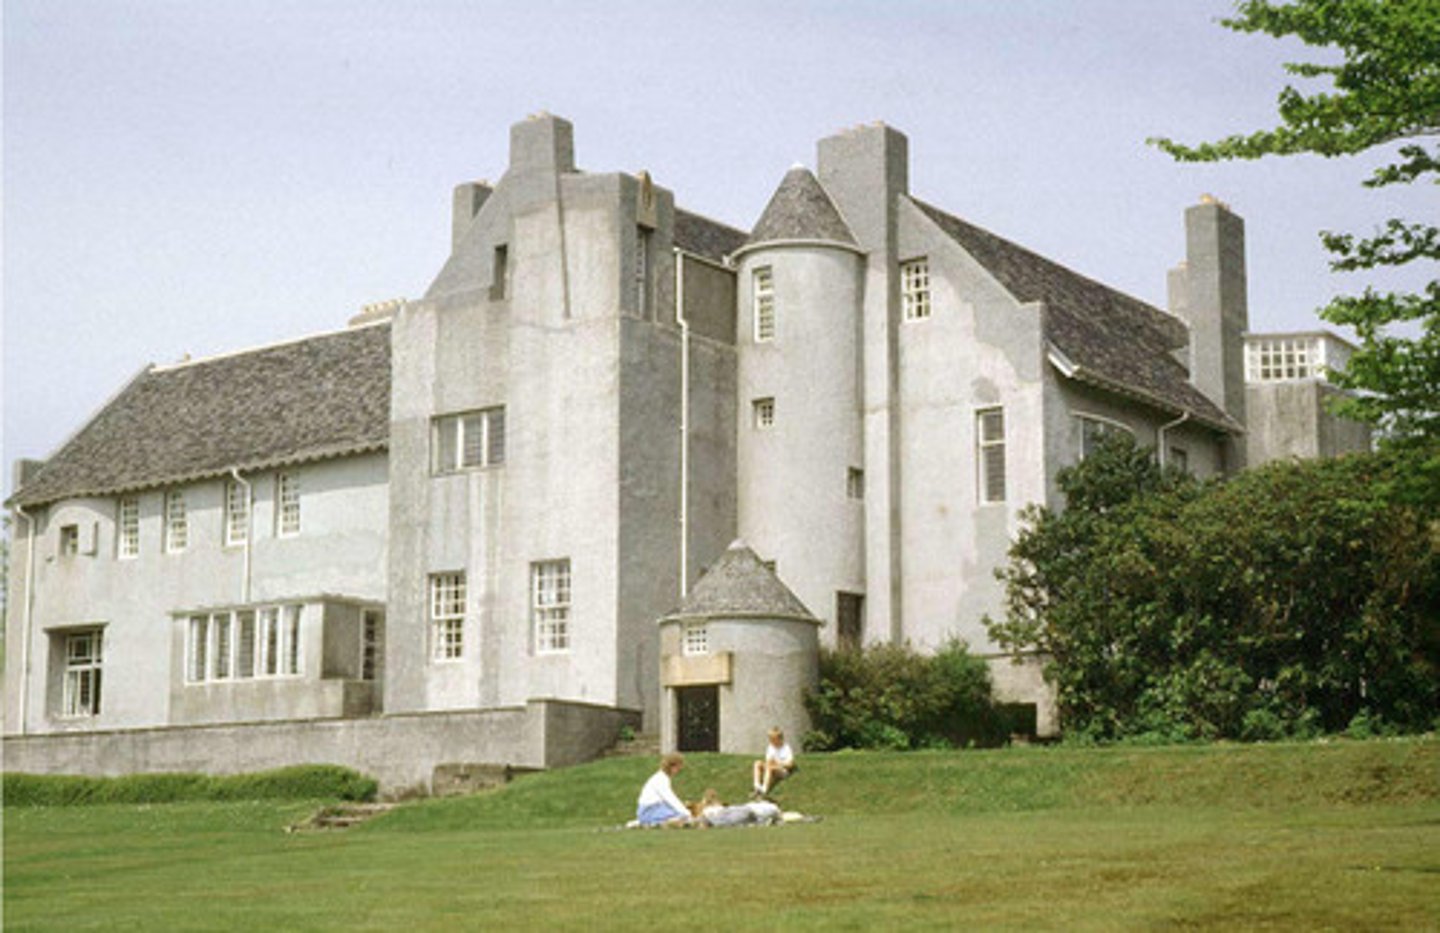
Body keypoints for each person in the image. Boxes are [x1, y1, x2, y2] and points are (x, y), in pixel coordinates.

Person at [636, 752, 691, 826]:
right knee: (682, 817)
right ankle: (649, 822)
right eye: (678, 767)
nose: (679, 770)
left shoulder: (663, 778)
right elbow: (670, 798)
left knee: (680, 815)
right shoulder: (660, 779)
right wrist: (686, 812)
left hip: (655, 808)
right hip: (649, 811)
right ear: (672, 766)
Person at [694, 788, 783, 828]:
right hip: (738, 811)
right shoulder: (771, 807)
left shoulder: (771, 807)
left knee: (723, 819)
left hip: (739, 810)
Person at [752, 726, 796, 798]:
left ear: (779, 739)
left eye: (773, 739)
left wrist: (778, 763)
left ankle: (764, 790)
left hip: (782, 770)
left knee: (770, 767)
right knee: (757, 763)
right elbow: (768, 760)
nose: (771, 741)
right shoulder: (770, 747)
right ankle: (757, 786)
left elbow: (790, 764)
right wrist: (769, 762)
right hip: (771, 766)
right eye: (770, 739)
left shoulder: (786, 748)